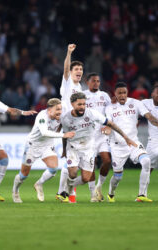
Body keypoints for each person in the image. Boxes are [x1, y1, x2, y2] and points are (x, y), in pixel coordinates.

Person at [61, 92, 137, 202]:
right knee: (72, 173)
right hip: (73, 148)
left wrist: (126, 137)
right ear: (72, 104)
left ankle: (66, 189)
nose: (82, 107)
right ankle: (66, 191)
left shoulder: (92, 113)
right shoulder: (66, 118)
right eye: (79, 104)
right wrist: (64, 150)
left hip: (88, 148)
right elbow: (65, 135)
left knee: (86, 178)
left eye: (84, 104)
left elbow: (111, 124)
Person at [102, 82, 158, 202]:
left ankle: (141, 195)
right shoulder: (110, 108)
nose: (122, 95)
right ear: (115, 94)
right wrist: (107, 130)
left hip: (133, 142)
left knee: (146, 161)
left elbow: (148, 116)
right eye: (119, 93)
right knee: (117, 176)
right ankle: (111, 193)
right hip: (118, 146)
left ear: (127, 93)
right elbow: (109, 124)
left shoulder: (136, 103)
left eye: (124, 92)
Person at [12, 98, 75, 203]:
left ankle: (39, 184)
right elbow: (44, 132)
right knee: (24, 175)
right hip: (33, 145)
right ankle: (15, 191)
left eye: (60, 109)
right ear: (49, 110)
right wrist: (63, 135)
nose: (60, 112)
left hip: (47, 145)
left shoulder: (62, 111)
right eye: (57, 110)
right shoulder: (42, 116)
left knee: (53, 168)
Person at [56, 44, 83, 203]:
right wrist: (68, 52)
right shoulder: (68, 82)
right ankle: (66, 192)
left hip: (73, 125)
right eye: (76, 69)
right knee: (70, 161)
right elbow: (66, 68)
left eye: (81, 69)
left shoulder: (79, 87)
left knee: (71, 161)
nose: (79, 71)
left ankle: (64, 192)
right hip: (64, 123)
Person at [83, 73, 112, 201]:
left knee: (107, 161)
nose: (96, 83)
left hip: (102, 135)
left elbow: (110, 111)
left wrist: (109, 125)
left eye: (98, 81)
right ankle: (92, 194)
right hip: (88, 135)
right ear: (87, 82)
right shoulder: (82, 95)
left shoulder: (104, 96)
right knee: (91, 164)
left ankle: (99, 187)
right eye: (93, 81)